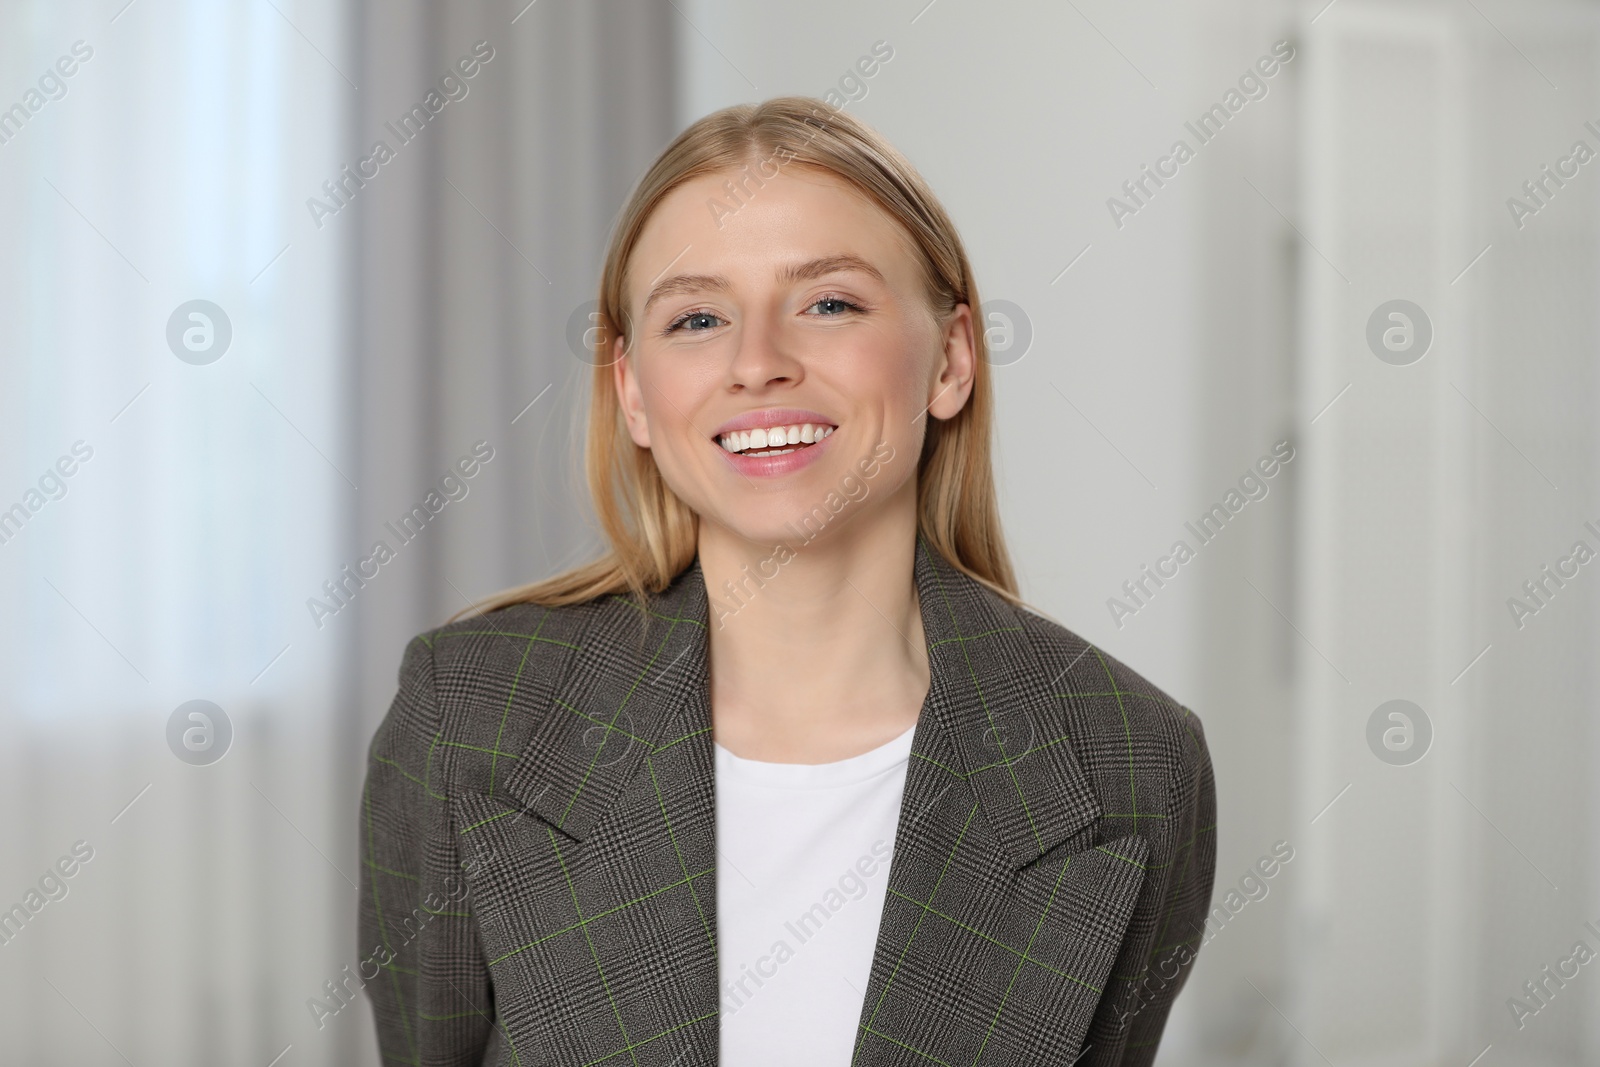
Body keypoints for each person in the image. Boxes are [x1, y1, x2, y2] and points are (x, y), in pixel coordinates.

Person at [358, 96, 1215, 1067]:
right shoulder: (466, 716)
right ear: (634, 391)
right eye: (697, 317)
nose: (757, 362)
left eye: (829, 302)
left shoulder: (1135, 761)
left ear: (951, 359)